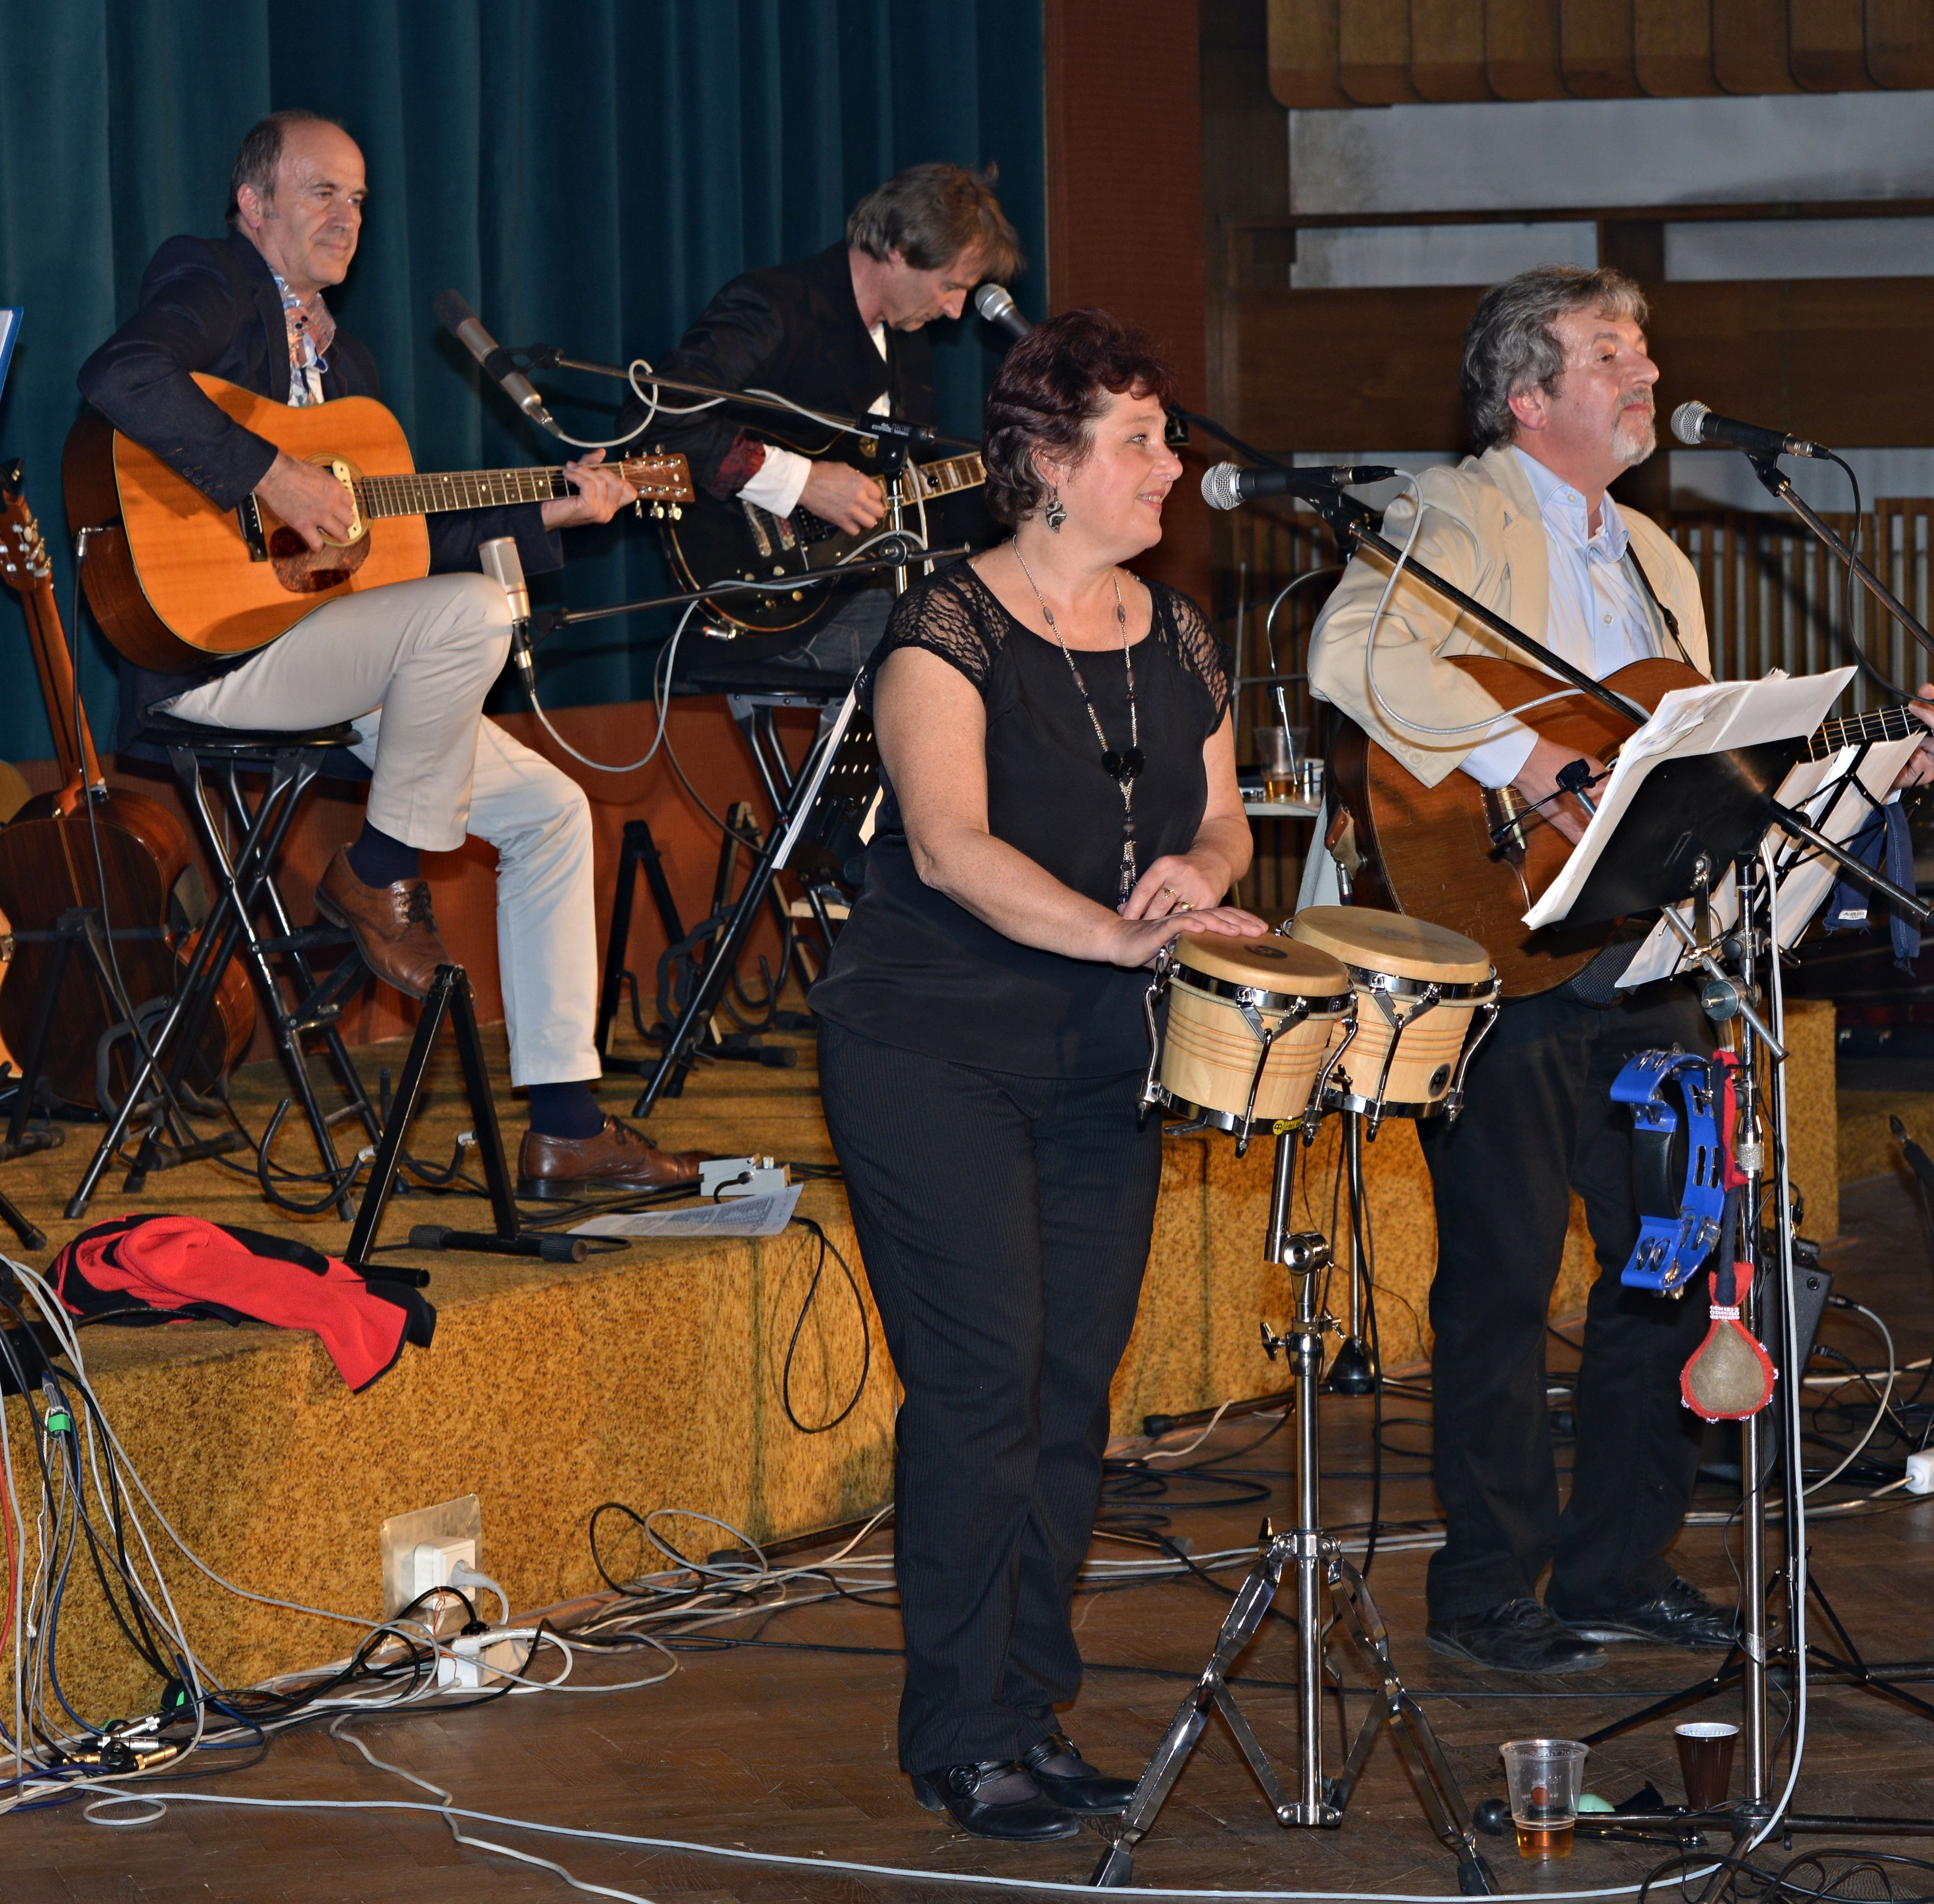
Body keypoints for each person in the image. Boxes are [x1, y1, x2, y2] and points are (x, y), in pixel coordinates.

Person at [1307, 265, 1934, 1675]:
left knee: (1669, 1271)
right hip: (1499, 949)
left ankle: (1615, 1562)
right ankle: (1485, 1584)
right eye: (1610, 354)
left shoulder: (1658, 557)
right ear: (1525, 396)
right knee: (1497, 1285)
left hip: (1647, 954)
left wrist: (1884, 762)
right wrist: (1521, 759)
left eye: (1642, 351)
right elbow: (1346, 653)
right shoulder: (1454, 510)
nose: (1646, 375)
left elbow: (1685, 764)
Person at [808, 310, 1258, 1841]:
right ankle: (957, 1729)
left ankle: (1026, 1706)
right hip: (930, 1045)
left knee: (1069, 1393)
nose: (1170, 466)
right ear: (1049, 464)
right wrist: (1121, 936)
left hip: (1097, 1058)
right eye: (1139, 439)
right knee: (981, 1384)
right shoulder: (941, 629)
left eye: (1164, 435)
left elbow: (1223, 818)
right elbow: (948, 848)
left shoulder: (1174, 630)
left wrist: (1199, 878)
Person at [75, 108, 703, 1196]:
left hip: (336, 658)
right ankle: (376, 874)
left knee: (554, 811)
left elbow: (406, 549)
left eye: (360, 199)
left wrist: (554, 514)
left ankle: (565, 1127)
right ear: (253, 205)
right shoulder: (213, 280)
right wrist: (272, 474)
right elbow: (121, 376)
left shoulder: (350, 366)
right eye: (321, 191)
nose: (347, 217)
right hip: (213, 660)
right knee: (471, 615)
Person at [645, 160, 1023, 679]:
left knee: (1024, 620)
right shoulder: (776, 307)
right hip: (773, 604)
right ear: (899, 249)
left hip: (871, 583)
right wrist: (801, 482)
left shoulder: (907, 340)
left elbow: (916, 492)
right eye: (949, 286)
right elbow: (659, 417)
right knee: (969, 659)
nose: (956, 310)